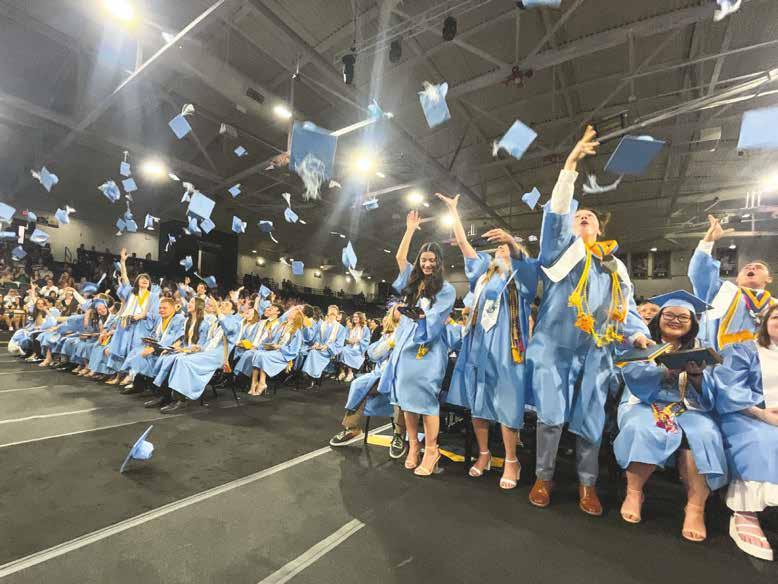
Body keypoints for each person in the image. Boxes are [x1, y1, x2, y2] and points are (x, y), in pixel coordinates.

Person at [524, 126, 652, 515]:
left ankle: (587, 484)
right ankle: (543, 476)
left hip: (597, 352)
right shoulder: (561, 254)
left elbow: (627, 309)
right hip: (554, 347)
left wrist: (638, 335)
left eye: (590, 216)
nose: (582, 217)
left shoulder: (615, 267)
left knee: (591, 419)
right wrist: (570, 166)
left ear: (599, 229)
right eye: (578, 215)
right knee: (550, 417)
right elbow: (556, 215)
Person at [437, 191, 537, 490]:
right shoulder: (483, 275)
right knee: (478, 403)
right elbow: (465, 247)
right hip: (478, 343)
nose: (501, 250)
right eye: (499, 248)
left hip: (507, 346)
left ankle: (511, 460)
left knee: (507, 404)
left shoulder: (523, 276)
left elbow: (523, 264)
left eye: (507, 248)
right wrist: (454, 213)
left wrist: (512, 243)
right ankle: (483, 454)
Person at [615, 291, 726, 542]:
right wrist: (665, 373)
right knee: (642, 428)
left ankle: (695, 507)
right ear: (659, 317)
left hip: (690, 407)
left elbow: (714, 391)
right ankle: (634, 492)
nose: (675, 320)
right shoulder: (644, 341)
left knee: (705, 434)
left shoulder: (701, 348)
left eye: (683, 317)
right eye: (669, 315)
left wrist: (696, 376)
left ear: (692, 323)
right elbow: (632, 376)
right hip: (644, 402)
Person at [381, 210, 456, 476]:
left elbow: (436, 320)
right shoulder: (412, 284)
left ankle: (432, 449)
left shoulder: (446, 289)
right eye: (424, 260)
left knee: (425, 399)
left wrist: (422, 317)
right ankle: (413, 445)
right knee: (406, 399)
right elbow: (400, 258)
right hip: (405, 348)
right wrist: (410, 229)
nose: (427, 264)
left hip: (428, 350)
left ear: (439, 263)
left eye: (432, 260)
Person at [712, 303, 778, 561]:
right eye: (776, 317)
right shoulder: (743, 350)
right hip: (746, 413)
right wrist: (761, 414)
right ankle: (745, 512)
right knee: (764, 439)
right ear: (765, 322)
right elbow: (729, 387)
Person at [689, 214, 775, 349]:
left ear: (769, 278)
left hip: (767, 360)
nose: (751, 268)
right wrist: (708, 241)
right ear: (737, 279)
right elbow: (699, 274)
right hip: (720, 360)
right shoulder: (721, 292)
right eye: (747, 267)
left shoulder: (775, 305)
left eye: (758, 267)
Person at [330, 310, 408, 458]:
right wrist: (390, 342)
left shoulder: (412, 334)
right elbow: (373, 355)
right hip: (380, 375)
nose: (400, 310)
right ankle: (352, 428)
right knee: (358, 384)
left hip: (401, 376)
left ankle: (399, 435)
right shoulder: (386, 335)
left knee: (399, 391)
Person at [247, 308, 306, 395]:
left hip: (284, 354)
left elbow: (294, 350)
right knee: (257, 353)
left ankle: (262, 383)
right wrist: (270, 340)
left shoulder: (297, 331)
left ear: (296, 316)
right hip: (274, 350)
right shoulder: (282, 326)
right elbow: (274, 339)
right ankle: (254, 382)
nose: (289, 312)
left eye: (292, 312)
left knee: (264, 356)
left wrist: (279, 347)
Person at [301, 305, 346, 386]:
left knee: (314, 353)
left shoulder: (341, 328)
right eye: (330, 312)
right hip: (320, 347)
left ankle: (312, 377)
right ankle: (311, 376)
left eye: (334, 312)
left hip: (329, 350)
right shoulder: (322, 325)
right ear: (327, 313)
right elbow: (318, 338)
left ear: (337, 314)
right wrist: (316, 344)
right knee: (311, 351)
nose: (332, 314)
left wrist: (327, 346)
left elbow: (339, 344)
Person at [337, 312, 371, 383]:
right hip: (349, 345)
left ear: (360, 318)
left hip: (359, 347)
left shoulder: (365, 329)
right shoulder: (349, 327)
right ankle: (342, 372)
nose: (354, 318)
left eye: (356, 317)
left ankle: (350, 373)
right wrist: (349, 340)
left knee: (345, 351)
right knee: (340, 350)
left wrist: (358, 340)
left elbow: (367, 340)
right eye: (354, 317)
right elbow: (344, 337)